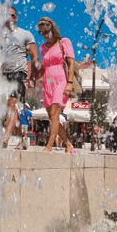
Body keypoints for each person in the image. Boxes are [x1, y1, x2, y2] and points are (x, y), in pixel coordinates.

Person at [0, 6, 38, 147]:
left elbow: (34, 56)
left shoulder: (25, 34)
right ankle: (21, 139)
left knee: (12, 104)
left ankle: (5, 139)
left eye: (12, 15)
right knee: (5, 107)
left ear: (16, 18)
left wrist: (32, 76)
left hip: (19, 73)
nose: (9, 18)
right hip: (3, 74)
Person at [35, 16, 76, 153]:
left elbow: (71, 63)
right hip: (47, 83)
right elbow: (44, 67)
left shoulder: (64, 42)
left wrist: (69, 83)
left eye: (46, 31)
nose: (44, 35)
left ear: (53, 28)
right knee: (53, 117)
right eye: (41, 33)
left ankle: (49, 146)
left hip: (61, 81)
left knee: (55, 113)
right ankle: (68, 144)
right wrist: (33, 78)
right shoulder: (43, 47)